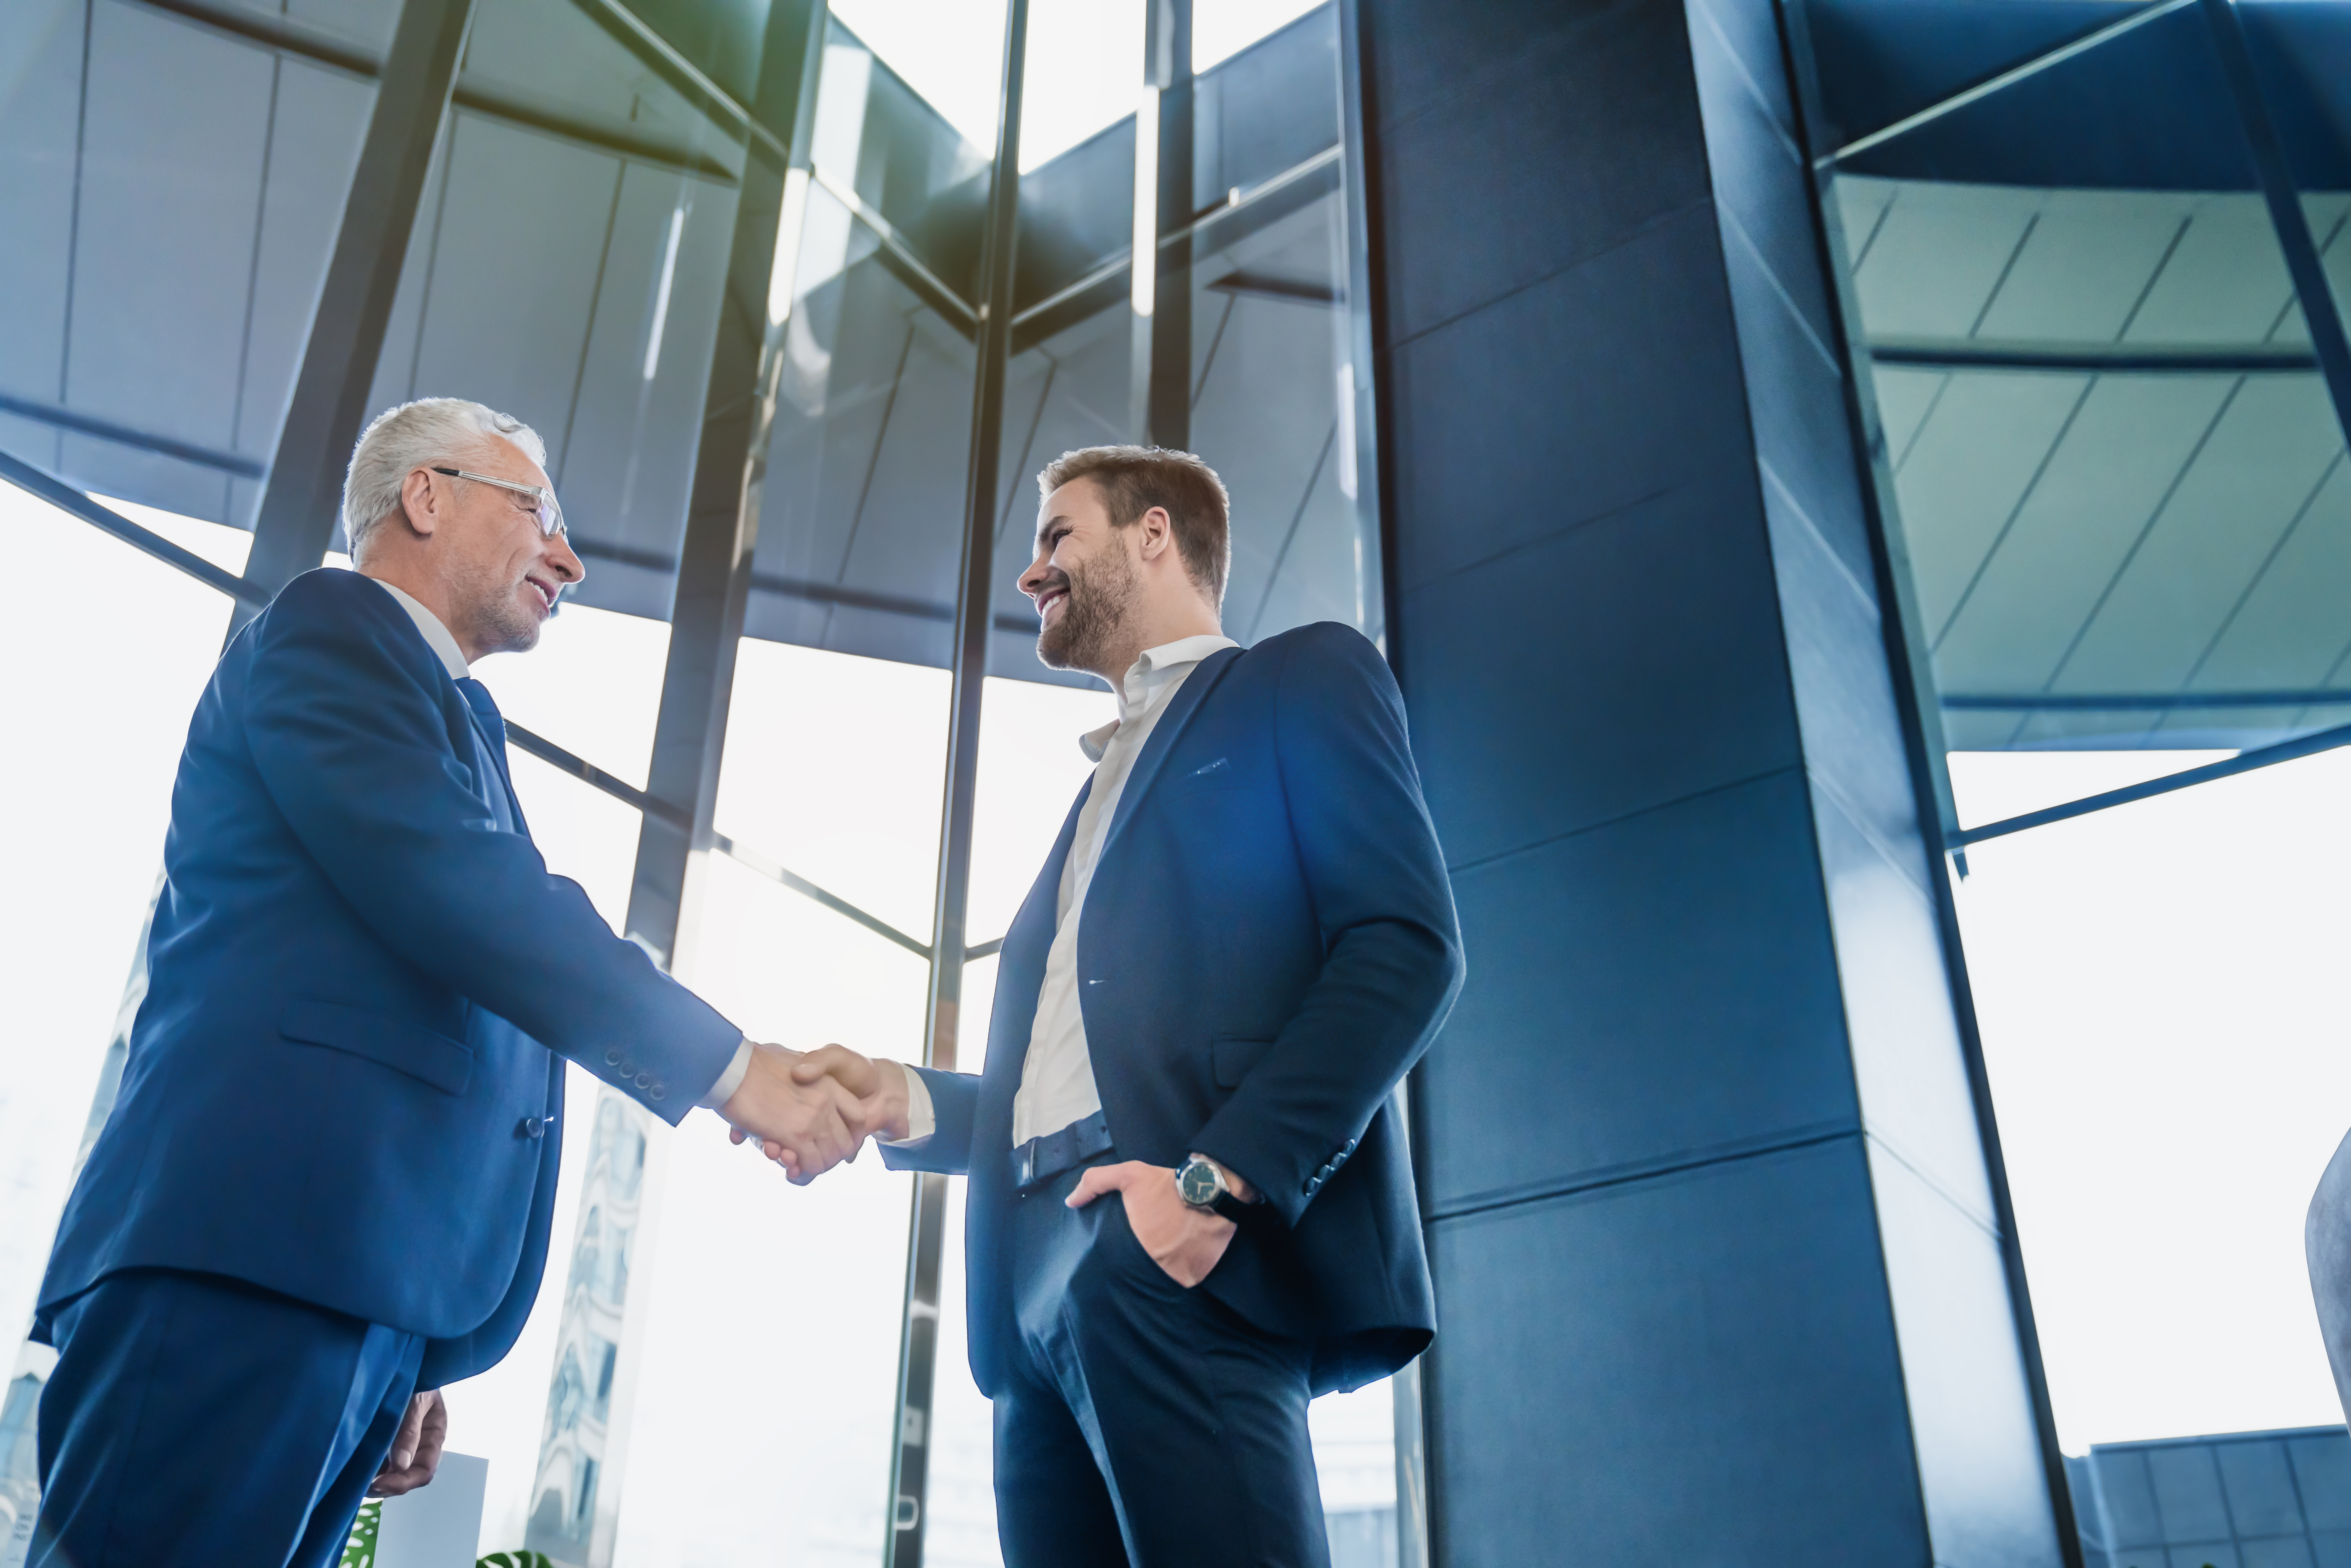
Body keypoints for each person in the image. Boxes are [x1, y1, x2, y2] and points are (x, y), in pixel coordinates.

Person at [28, 398, 871, 1568]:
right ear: (426, 497)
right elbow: (467, 897)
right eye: (540, 512)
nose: (570, 559)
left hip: (340, 1293)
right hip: (243, 1272)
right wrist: (733, 1072)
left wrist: (409, 1337)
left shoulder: (450, 719)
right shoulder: (331, 629)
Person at [790, 446, 1465, 1566]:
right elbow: (1078, 1071)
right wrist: (899, 1099)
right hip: (1030, 1316)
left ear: (1155, 533)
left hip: (1176, 1257)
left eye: (1057, 536)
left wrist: (1216, 1182)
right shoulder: (1092, 793)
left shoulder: (1301, 680)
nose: (1031, 572)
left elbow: (1407, 947)